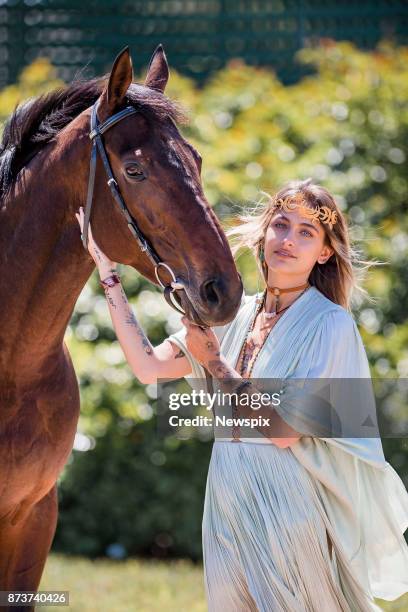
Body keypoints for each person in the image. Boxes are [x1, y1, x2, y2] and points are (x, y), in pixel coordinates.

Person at [76, 178, 408, 611]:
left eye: (306, 233)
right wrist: (109, 275)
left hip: (288, 508)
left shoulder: (331, 326)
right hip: (226, 502)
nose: (288, 240)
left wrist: (215, 364)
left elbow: (283, 430)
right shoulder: (236, 313)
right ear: (264, 232)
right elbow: (149, 367)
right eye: (281, 225)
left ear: (325, 251)